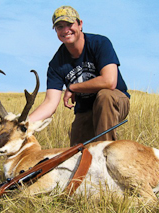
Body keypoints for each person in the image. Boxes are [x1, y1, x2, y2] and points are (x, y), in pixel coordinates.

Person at [29, 6, 130, 146]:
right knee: (76, 154)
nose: (65, 30)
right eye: (59, 27)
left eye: (69, 24)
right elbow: (50, 103)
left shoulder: (100, 43)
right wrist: (24, 123)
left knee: (105, 96)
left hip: (116, 101)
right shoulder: (56, 64)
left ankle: (105, 152)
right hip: (86, 110)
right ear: (56, 31)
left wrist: (73, 87)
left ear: (80, 24)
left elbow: (109, 81)